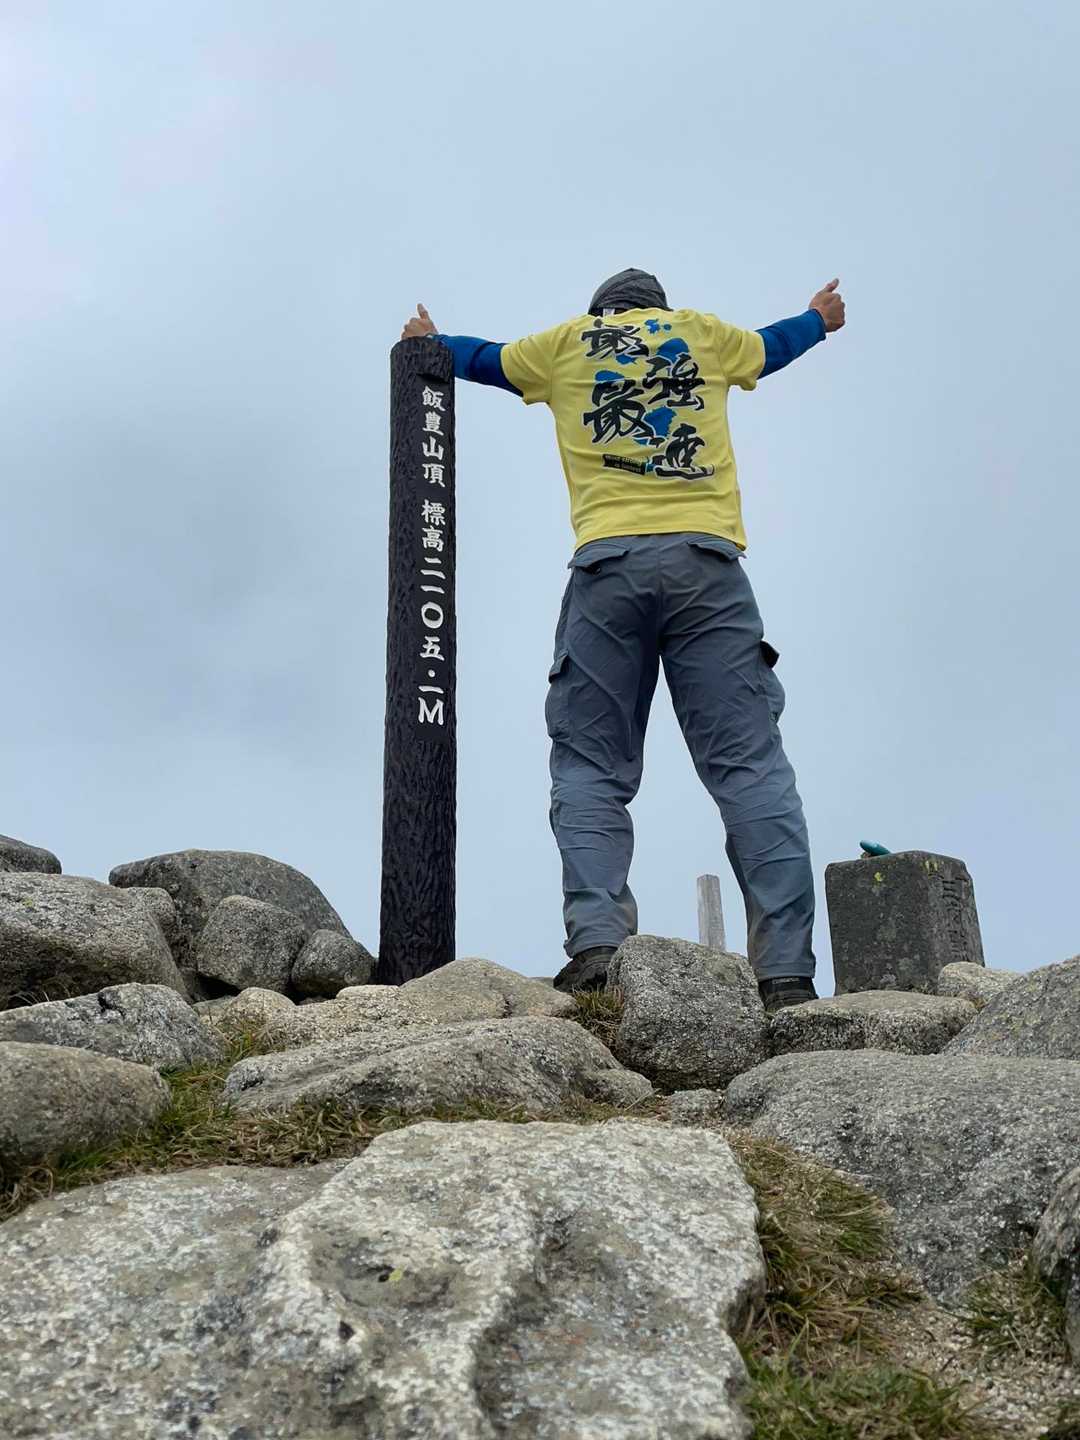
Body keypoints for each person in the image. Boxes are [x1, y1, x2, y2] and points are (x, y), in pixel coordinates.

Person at [400, 268, 845, 1012]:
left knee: (590, 765)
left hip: (607, 570)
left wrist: (429, 341)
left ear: (600, 311)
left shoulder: (566, 345)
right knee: (750, 767)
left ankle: (598, 949)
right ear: (656, 309)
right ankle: (786, 976)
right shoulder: (702, 334)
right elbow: (773, 346)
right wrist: (819, 318)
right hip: (708, 568)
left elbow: (480, 359)